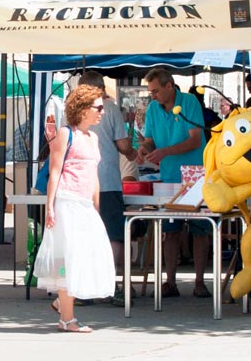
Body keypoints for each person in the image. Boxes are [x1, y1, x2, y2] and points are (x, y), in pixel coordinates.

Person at [35, 84, 116, 332]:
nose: (102, 112)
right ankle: (67, 319)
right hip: (67, 202)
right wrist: (50, 206)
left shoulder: (93, 138)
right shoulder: (65, 134)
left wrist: (96, 207)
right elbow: (55, 171)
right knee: (68, 259)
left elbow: (94, 175)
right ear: (82, 109)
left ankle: (63, 303)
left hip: (84, 205)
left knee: (87, 256)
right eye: (98, 107)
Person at [136, 68, 209, 298]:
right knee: (170, 229)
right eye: (151, 92)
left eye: (156, 91)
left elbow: (195, 140)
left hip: (195, 174)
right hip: (168, 176)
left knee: (200, 228)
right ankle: (170, 282)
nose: (153, 96)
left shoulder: (189, 103)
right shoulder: (152, 109)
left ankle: (199, 281)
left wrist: (165, 151)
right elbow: (149, 140)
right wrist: (144, 150)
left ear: (170, 86)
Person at [78, 71, 137, 304]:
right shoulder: (109, 109)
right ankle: (109, 284)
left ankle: (85, 288)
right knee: (113, 235)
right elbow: (123, 145)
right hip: (108, 181)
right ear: (101, 89)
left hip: (80, 181)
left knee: (84, 236)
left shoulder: (71, 111)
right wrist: (134, 153)